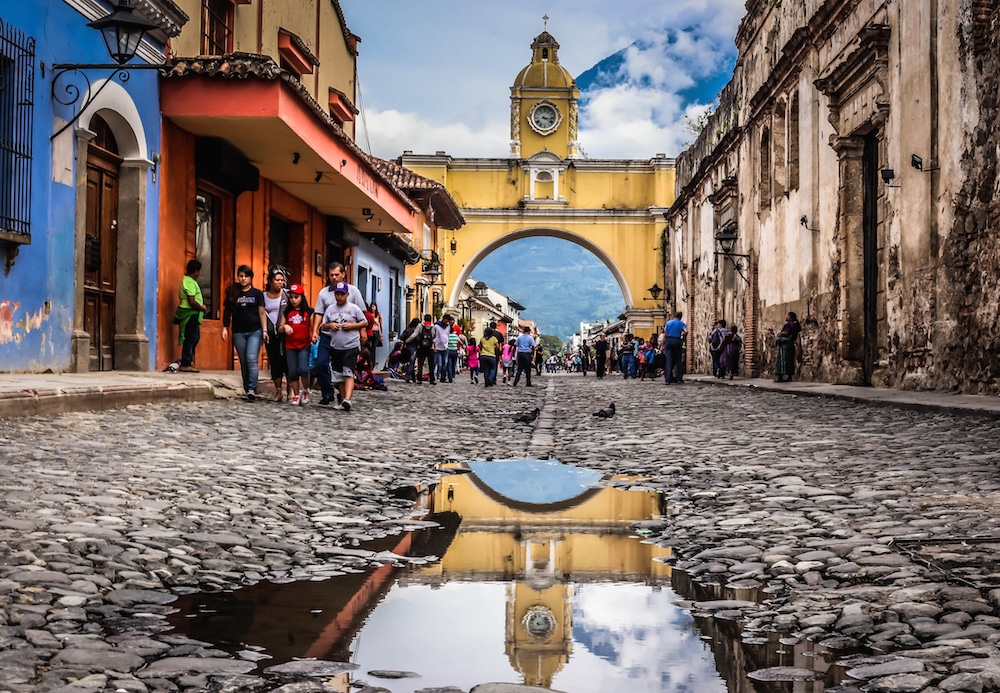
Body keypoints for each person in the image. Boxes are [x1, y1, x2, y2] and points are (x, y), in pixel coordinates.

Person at [311, 262, 367, 401]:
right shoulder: (323, 293)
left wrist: (362, 331)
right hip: (328, 336)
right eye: (331, 275)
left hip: (347, 338)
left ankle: (343, 395)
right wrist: (315, 331)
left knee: (344, 369)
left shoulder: (353, 291)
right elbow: (319, 313)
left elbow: (363, 314)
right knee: (321, 364)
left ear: (343, 274)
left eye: (337, 274)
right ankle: (327, 393)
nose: (334, 277)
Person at [222, 265, 268, 400]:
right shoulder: (233, 292)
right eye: (241, 276)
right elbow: (227, 311)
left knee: (251, 359)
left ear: (250, 278)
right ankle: (247, 387)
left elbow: (261, 312)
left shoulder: (257, 293)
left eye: (246, 276)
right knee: (243, 361)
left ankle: (252, 388)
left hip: (255, 330)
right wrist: (225, 327)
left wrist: (264, 330)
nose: (243, 279)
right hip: (238, 332)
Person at [278, 284, 312, 405]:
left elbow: (313, 326)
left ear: (302, 297)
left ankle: (306, 390)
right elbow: (280, 328)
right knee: (292, 372)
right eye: (291, 297)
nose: (293, 300)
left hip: (304, 345)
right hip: (290, 346)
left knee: (303, 369)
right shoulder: (287, 312)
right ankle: (296, 394)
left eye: (296, 297)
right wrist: (285, 326)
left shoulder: (308, 311)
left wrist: (314, 335)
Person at [174, 259, 207, 372]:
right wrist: (202, 308)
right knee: (190, 338)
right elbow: (192, 301)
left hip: (193, 314)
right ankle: (185, 363)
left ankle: (188, 360)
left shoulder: (190, 281)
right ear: (196, 271)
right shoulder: (188, 281)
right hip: (189, 313)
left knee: (195, 338)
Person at [263, 267, 289, 401]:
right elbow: (261, 312)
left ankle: (290, 389)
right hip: (270, 334)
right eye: (277, 280)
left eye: (281, 280)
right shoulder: (263, 296)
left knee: (287, 361)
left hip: (285, 334)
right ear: (270, 281)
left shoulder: (287, 295)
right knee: (274, 361)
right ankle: (278, 390)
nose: (280, 283)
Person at [660, 311, 687, 384]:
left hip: (669, 340)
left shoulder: (668, 323)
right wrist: (683, 339)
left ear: (674, 315)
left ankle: (668, 379)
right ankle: (678, 378)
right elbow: (686, 331)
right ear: (680, 317)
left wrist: (662, 344)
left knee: (668, 360)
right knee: (678, 360)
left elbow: (665, 334)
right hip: (677, 341)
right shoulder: (681, 323)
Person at [775, 311, 802, 382]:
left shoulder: (789, 325)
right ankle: (788, 376)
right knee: (788, 360)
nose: (786, 317)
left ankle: (781, 376)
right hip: (789, 344)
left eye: (788, 316)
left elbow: (786, 333)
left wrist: (780, 334)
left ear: (791, 318)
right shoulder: (794, 325)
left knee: (783, 360)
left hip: (785, 344)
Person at [410, 314, 436, 384]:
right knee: (431, 364)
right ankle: (431, 379)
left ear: (424, 319)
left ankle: (419, 379)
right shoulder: (433, 327)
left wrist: (407, 340)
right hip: (430, 347)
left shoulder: (420, 326)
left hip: (421, 347)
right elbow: (435, 336)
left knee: (420, 364)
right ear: (431, 319)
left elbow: (414, 334)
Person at [399, 317, 421, 382]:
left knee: (411, 362)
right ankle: (408, 375)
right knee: (412, 363)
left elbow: (401, 337)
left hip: (406, 347)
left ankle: (413, 377)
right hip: (414, 348)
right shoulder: (417, 331)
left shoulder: (407, 330)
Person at [433, 315, 453, 383]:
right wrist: (434, 345)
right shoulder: (436, 326)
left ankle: (443, 377)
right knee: (439, 364)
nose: (447, 322)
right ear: (444, 319)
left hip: (445, 347)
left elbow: (447, 335)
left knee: (445, 363)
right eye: (447, 320)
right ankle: (434, 375)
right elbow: (434, 336)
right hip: (438, 347)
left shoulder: (448, 326)